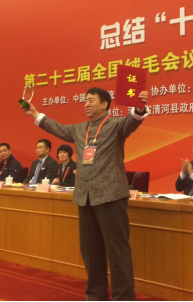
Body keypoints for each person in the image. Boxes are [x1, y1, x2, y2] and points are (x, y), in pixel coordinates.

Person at [23, 87, 148, 301]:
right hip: (85, 197)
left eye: (91, 100)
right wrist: (35, 114)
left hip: (110, 196)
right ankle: (95, 295)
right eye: (85, 100)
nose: (86, 104)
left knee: (117, 251)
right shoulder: (80, 129)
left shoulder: (116, 125)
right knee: (90, 251)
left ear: (105, 104)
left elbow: (132, 121)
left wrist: (139, 108)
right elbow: (58, 128)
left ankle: (124, 298)